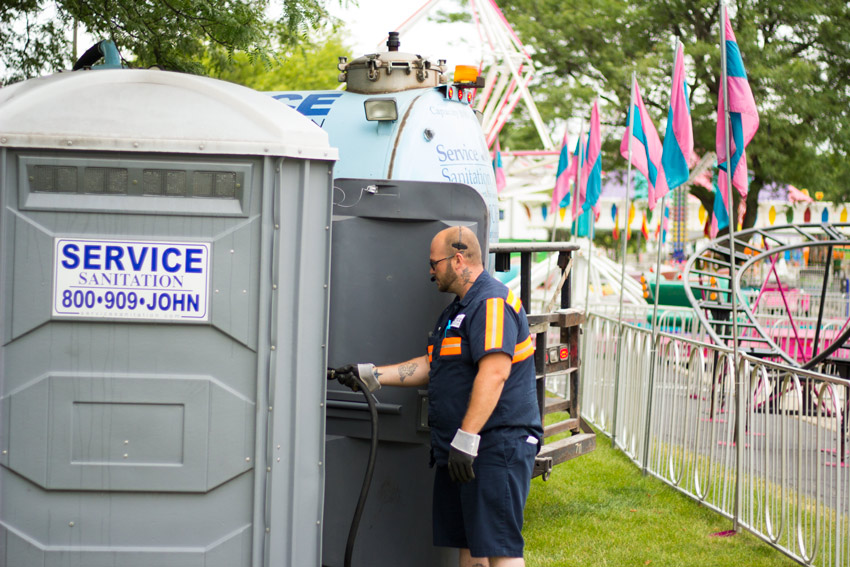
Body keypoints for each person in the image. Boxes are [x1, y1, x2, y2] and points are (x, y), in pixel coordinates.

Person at [332, 225, 542, 567]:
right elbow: (434, 365)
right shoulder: (456, 311)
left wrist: (467, 438)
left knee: (501, 551)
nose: (431, 271)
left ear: (458, 260)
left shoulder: (491, 303)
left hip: (494, 446)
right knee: (471, 550)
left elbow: (495, 371)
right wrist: (371, 375)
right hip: (465, 449)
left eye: (435, 263)